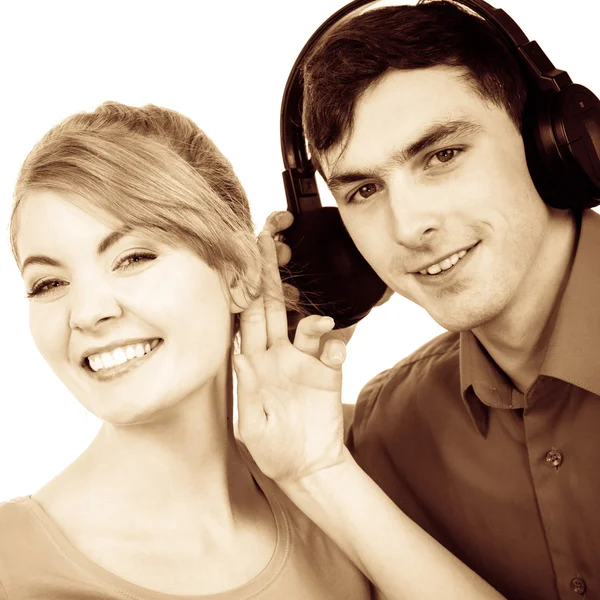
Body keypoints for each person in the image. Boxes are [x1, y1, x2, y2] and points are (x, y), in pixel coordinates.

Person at [0, 100, 505, 600]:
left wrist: (319, 471)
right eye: (47, 284)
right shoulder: (13, 566)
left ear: (240, 274)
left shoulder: (355, 458)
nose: (87, 313)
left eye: (133, 257)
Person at [264, 1, 600, 599]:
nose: (407, 225)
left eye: (441, 156)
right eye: (364, 190)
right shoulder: (388, 434)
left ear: (551, 142)